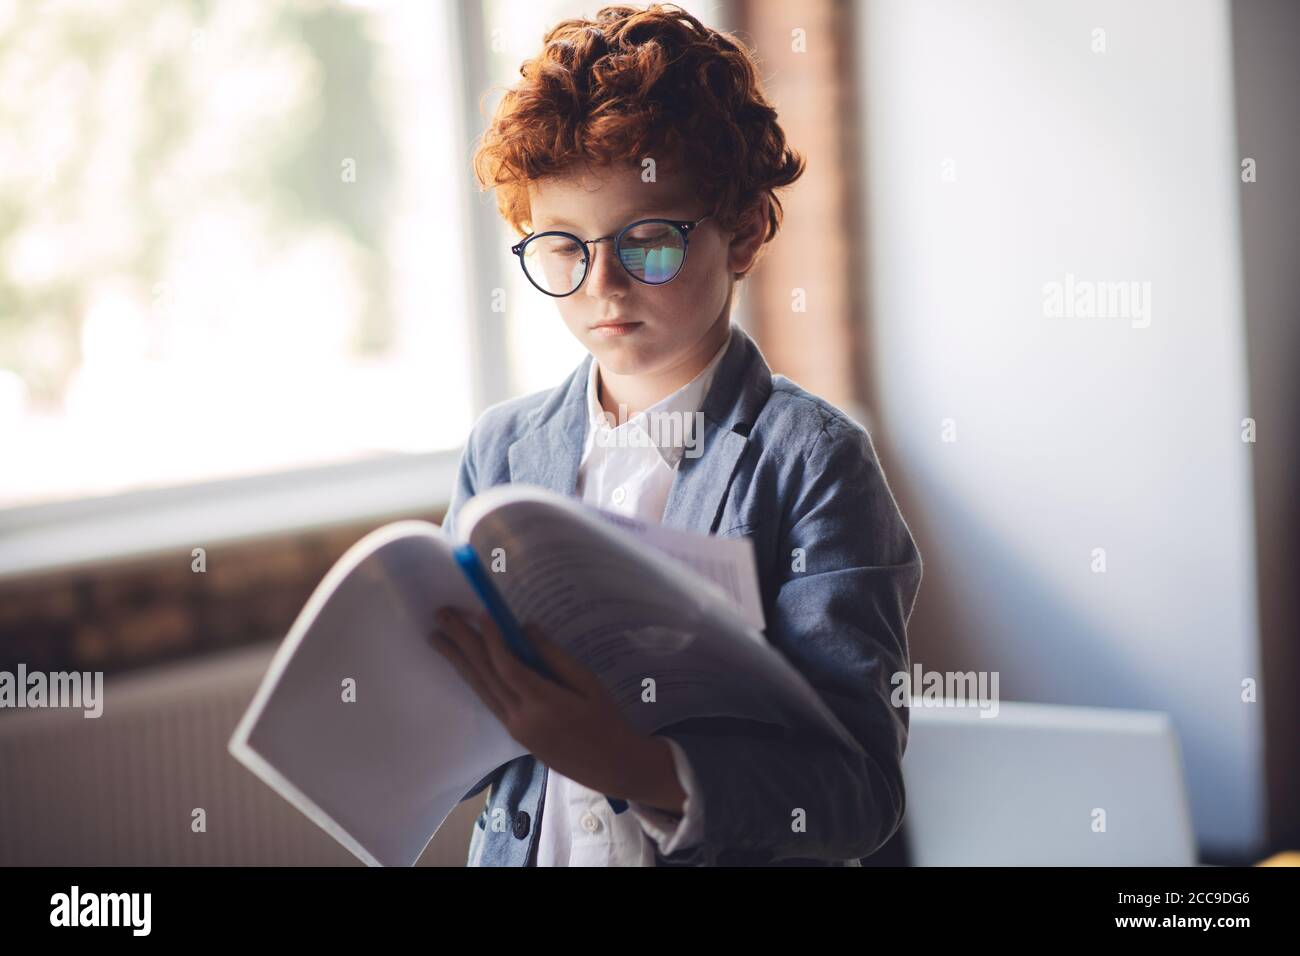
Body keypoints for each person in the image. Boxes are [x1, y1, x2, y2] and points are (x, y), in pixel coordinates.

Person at [429, 2, 921, 867]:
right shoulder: (501, 450)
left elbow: (858, 793)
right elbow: (465, 741)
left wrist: (635, 765)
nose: (603, 286)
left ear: (745, 233)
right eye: (562, 248)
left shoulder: (813, 464)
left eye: (647, 241)